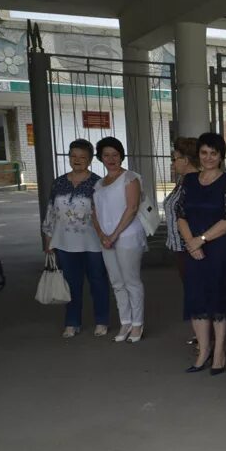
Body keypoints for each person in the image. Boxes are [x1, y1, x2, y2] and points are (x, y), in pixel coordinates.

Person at [176, 132, 226, 375]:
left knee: (217, 301)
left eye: (213, 153)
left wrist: (201, 240)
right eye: (204, 153)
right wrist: (192, 244)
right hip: (193, 250)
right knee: (197, 300)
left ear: (221, 155)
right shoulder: (189, 180)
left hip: (217, 249)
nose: (208, 157)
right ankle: (203, 351)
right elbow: (180, 215)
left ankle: (219, 352)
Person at [41, 139, 110, 338]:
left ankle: (102, 320)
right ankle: (72, 322)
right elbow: (51, 212)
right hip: (64, 243)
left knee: (98, 282)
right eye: (73, 156)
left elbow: (104, 214)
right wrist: (48, 240)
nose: (77, 160)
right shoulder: (59, 182)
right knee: (71, 284)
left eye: (82, 157)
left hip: (93, 243)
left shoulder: (97, 183)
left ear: (89, 160)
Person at [92, 136, 147, 342]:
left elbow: (131, 208)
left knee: (131, 281)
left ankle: (137, 324)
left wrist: (114, 235)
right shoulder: (98, 184)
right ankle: (125, 321)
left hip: (127, 236)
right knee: (116, 282)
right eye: (106, 155)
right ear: (100, 158)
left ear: (121, 156)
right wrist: (102, 235)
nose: (111, 159)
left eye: (115, 154)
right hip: (106, 239)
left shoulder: (130, 177)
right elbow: (94, 213)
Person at [164, 137, 200, 346]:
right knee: (190, 289)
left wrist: (190, 243)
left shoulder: (194, 182)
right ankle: (199, 332)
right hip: (179, 246)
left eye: (175, 158)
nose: (173, 162)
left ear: (186, 160)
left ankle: (204, 335)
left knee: (195, 290)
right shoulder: (182, 180)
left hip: (189, 246)